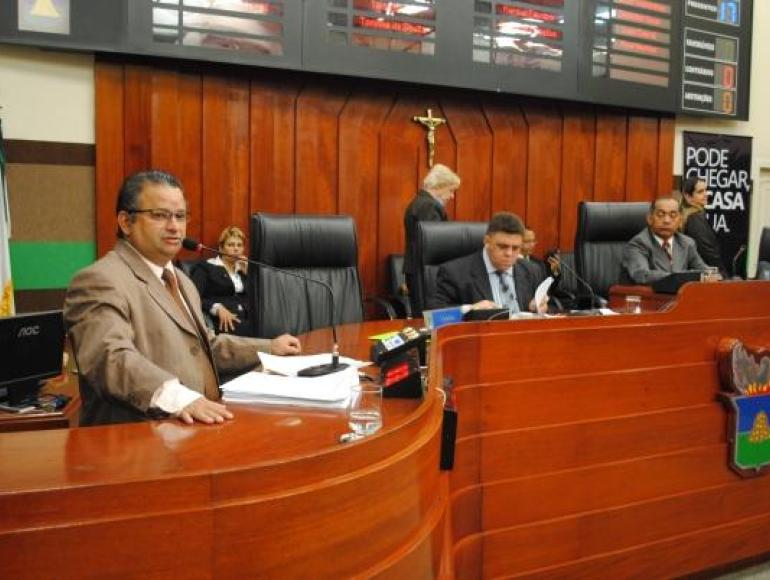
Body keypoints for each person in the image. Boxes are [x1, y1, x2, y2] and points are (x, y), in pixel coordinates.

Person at [64, 170, 301, 427]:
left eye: (180, 216)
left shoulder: (181, 280)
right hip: (143, 436)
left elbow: (205, 347)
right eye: (159, 215)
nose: (174, 227)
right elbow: (108, 358)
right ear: (125, 222)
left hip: (205, 426)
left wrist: (269, 348)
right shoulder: (100, 280)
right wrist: (180, 399)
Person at [428, 212, 546, 313]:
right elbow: (434, 313)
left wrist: (539, 307)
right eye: (502, 246)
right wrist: (471, 309)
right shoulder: (455, 273)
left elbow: (550, 307)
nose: (509, 253)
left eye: (515, 248)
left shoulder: (531, 270)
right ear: (487, 241)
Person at [402, 163, 460, 312]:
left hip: (418, 270)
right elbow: (436, 244)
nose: (452, 196)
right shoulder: (429, 206)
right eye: (451, 190)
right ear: (440, 186)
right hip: (425, 273)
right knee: (428, 317)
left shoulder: (420, 202)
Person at [621, 196, 709, 285]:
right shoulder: (639, 244)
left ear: (680, 221)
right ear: (650, 219)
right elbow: (642, 275)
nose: (667, 221)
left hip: (679, 293)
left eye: (673, 215)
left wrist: (712, 275)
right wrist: (679, 278)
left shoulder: (687, 243)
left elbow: (704, 271)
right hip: (648, 293)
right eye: (660, 215)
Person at [191, 225, 253, 336]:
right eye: (231, 245)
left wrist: (248, 275)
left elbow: (256, 299)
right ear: (221, 248)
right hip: (223, 322)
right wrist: (217, 308)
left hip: (250, 319)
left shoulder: (244, 269)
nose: (236, 249)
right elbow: (193, 297)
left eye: (239, 245)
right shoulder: (206, 268)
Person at [680, 176, 727, 277]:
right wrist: (722, 274)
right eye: (700, 192)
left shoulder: (690, 214)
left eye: (706, 190)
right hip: (705, 274)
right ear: (688, 196)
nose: (706, 194)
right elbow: (707, 250)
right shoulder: (695, 218)